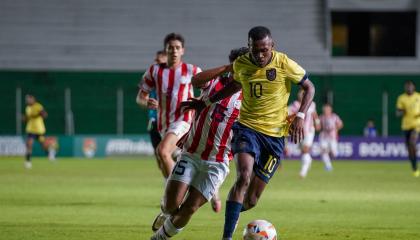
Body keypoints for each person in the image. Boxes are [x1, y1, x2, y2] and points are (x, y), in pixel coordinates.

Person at [181, 26, 315, 240]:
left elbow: (310, 87)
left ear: (272, 46)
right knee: (243, 176)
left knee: (251, 199)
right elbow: (233, 86)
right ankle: (227, 237)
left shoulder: (283, 63)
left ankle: (231, 211)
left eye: (264, 50)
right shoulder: (242, 64)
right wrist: (204, 102)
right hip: (247, 130)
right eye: (255, 50)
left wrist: (300, 116)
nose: (260, 55)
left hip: (275, 137)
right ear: (249, 47)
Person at [150, 47, 248, 240]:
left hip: (217, 162)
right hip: (192, 154)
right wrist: (226, 68)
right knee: (172, 205)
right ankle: (165, 211)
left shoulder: (250, 97)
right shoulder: (216, 82)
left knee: (190, 208)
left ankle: (158, 238)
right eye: (239, 64)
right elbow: (196, 80)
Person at [137, 33, 201, 179]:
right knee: (168, 159)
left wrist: (199, 100)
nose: (174, 51)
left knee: (163, 152)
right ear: (166, 50)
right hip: (163, 124)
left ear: (183, 50)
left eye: (177, 47)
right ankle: (209, 196)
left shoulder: (192, 70)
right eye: (171, 47)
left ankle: (175, 195)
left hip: (184, 120)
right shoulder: (154, 71)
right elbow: (140, 97)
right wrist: (146, 102)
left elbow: (210, 90)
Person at [137, 50, 167, 175]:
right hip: (154, 121)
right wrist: (147, 103)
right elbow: (140, 99)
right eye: (155, 60)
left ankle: (175, 189)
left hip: (173, 122)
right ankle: (169, 185)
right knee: (160, 157)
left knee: (169, 154)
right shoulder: (150, 75)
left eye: (159, 60)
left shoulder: (180, 74)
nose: (156, 63)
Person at [289, 89, 320, 178]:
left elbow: (314, 114)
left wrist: (317, 123)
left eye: (303, 94)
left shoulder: (311, 104)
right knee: (303, 151)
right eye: (300, 94)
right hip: (299, 131)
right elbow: (289, 114)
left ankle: (303, 171)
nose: (301, 95)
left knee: (305, 149)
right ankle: (309, 160)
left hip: (310, 130)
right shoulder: (295, 104)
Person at [23, 94, 55, 169]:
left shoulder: (38, 106)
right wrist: (24, 119)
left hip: (39, 129)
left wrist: (39, 114)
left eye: (29, 99)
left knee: (43, 145)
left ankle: (50, 154)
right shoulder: (27, 108)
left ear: (33, 99)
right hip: (30, 129)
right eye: (27, 99)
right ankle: (28, 161)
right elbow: (28, 118)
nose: (28, 100)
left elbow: (45, 115)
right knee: (29, 144)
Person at [396, 80, 420, 177]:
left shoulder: (418, 97)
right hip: (406, 126)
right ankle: (414, 167)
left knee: (412, 142)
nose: (409, 88)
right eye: (407, 86)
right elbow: (398, 113)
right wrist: (403, 111)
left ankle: (414, 147)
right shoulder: (401, 98)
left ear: (414, 87)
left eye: (410, 86)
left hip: (417, 124)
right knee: (409, 149)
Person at [319, 103, 343, 171]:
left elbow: (340, 124)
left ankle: (332, 153)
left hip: (332, 137)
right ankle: (328, 166)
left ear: (330, 110)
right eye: (325, 109)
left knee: (334, 153)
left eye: (327, 109)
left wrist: (335, 129)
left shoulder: (334, 116)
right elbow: (318, 126)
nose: (326, 110)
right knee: (323, 151)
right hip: (324, 137)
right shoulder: (321, 117)